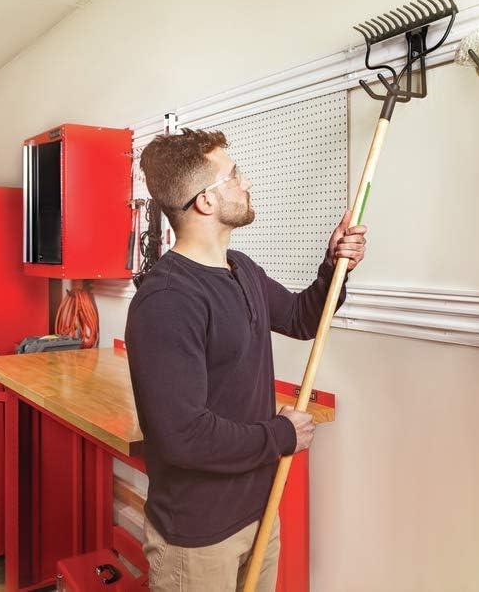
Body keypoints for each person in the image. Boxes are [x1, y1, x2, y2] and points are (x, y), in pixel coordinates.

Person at [125, 128, 367, 591]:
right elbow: (183, 437)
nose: (246, 183)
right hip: (198, 538)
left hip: (259, 512)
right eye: (234, 175)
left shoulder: (242, 270)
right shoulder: (167, 300)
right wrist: (281, 435)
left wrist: (333, 266)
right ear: (205, 201)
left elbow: (301, 318)